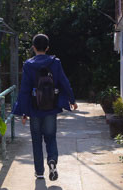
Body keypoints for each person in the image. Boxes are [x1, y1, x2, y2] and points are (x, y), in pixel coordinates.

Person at [13, 34, 77, 181]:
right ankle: (52, 161)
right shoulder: (55, 63)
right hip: (51, 106)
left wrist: (23, 111)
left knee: (36, 139)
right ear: (47, 48)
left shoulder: (28, 65)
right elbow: (64, 82)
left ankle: (39, 172)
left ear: (33, 48)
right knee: (50, 137)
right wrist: (72, 100)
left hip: (35, 108)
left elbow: (24, 89)